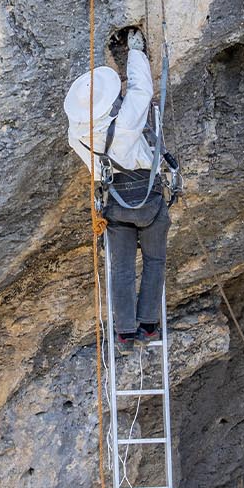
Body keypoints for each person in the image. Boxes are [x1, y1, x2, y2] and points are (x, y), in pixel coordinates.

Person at [63, 27, 170, 352]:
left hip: (114, 202)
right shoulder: (123, 126)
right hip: (146, 195)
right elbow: (141, 92)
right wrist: (135, 51)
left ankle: (125, 332)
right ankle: (148, 325)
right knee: (154, 261)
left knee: (121, 268)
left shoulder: (76, 137)